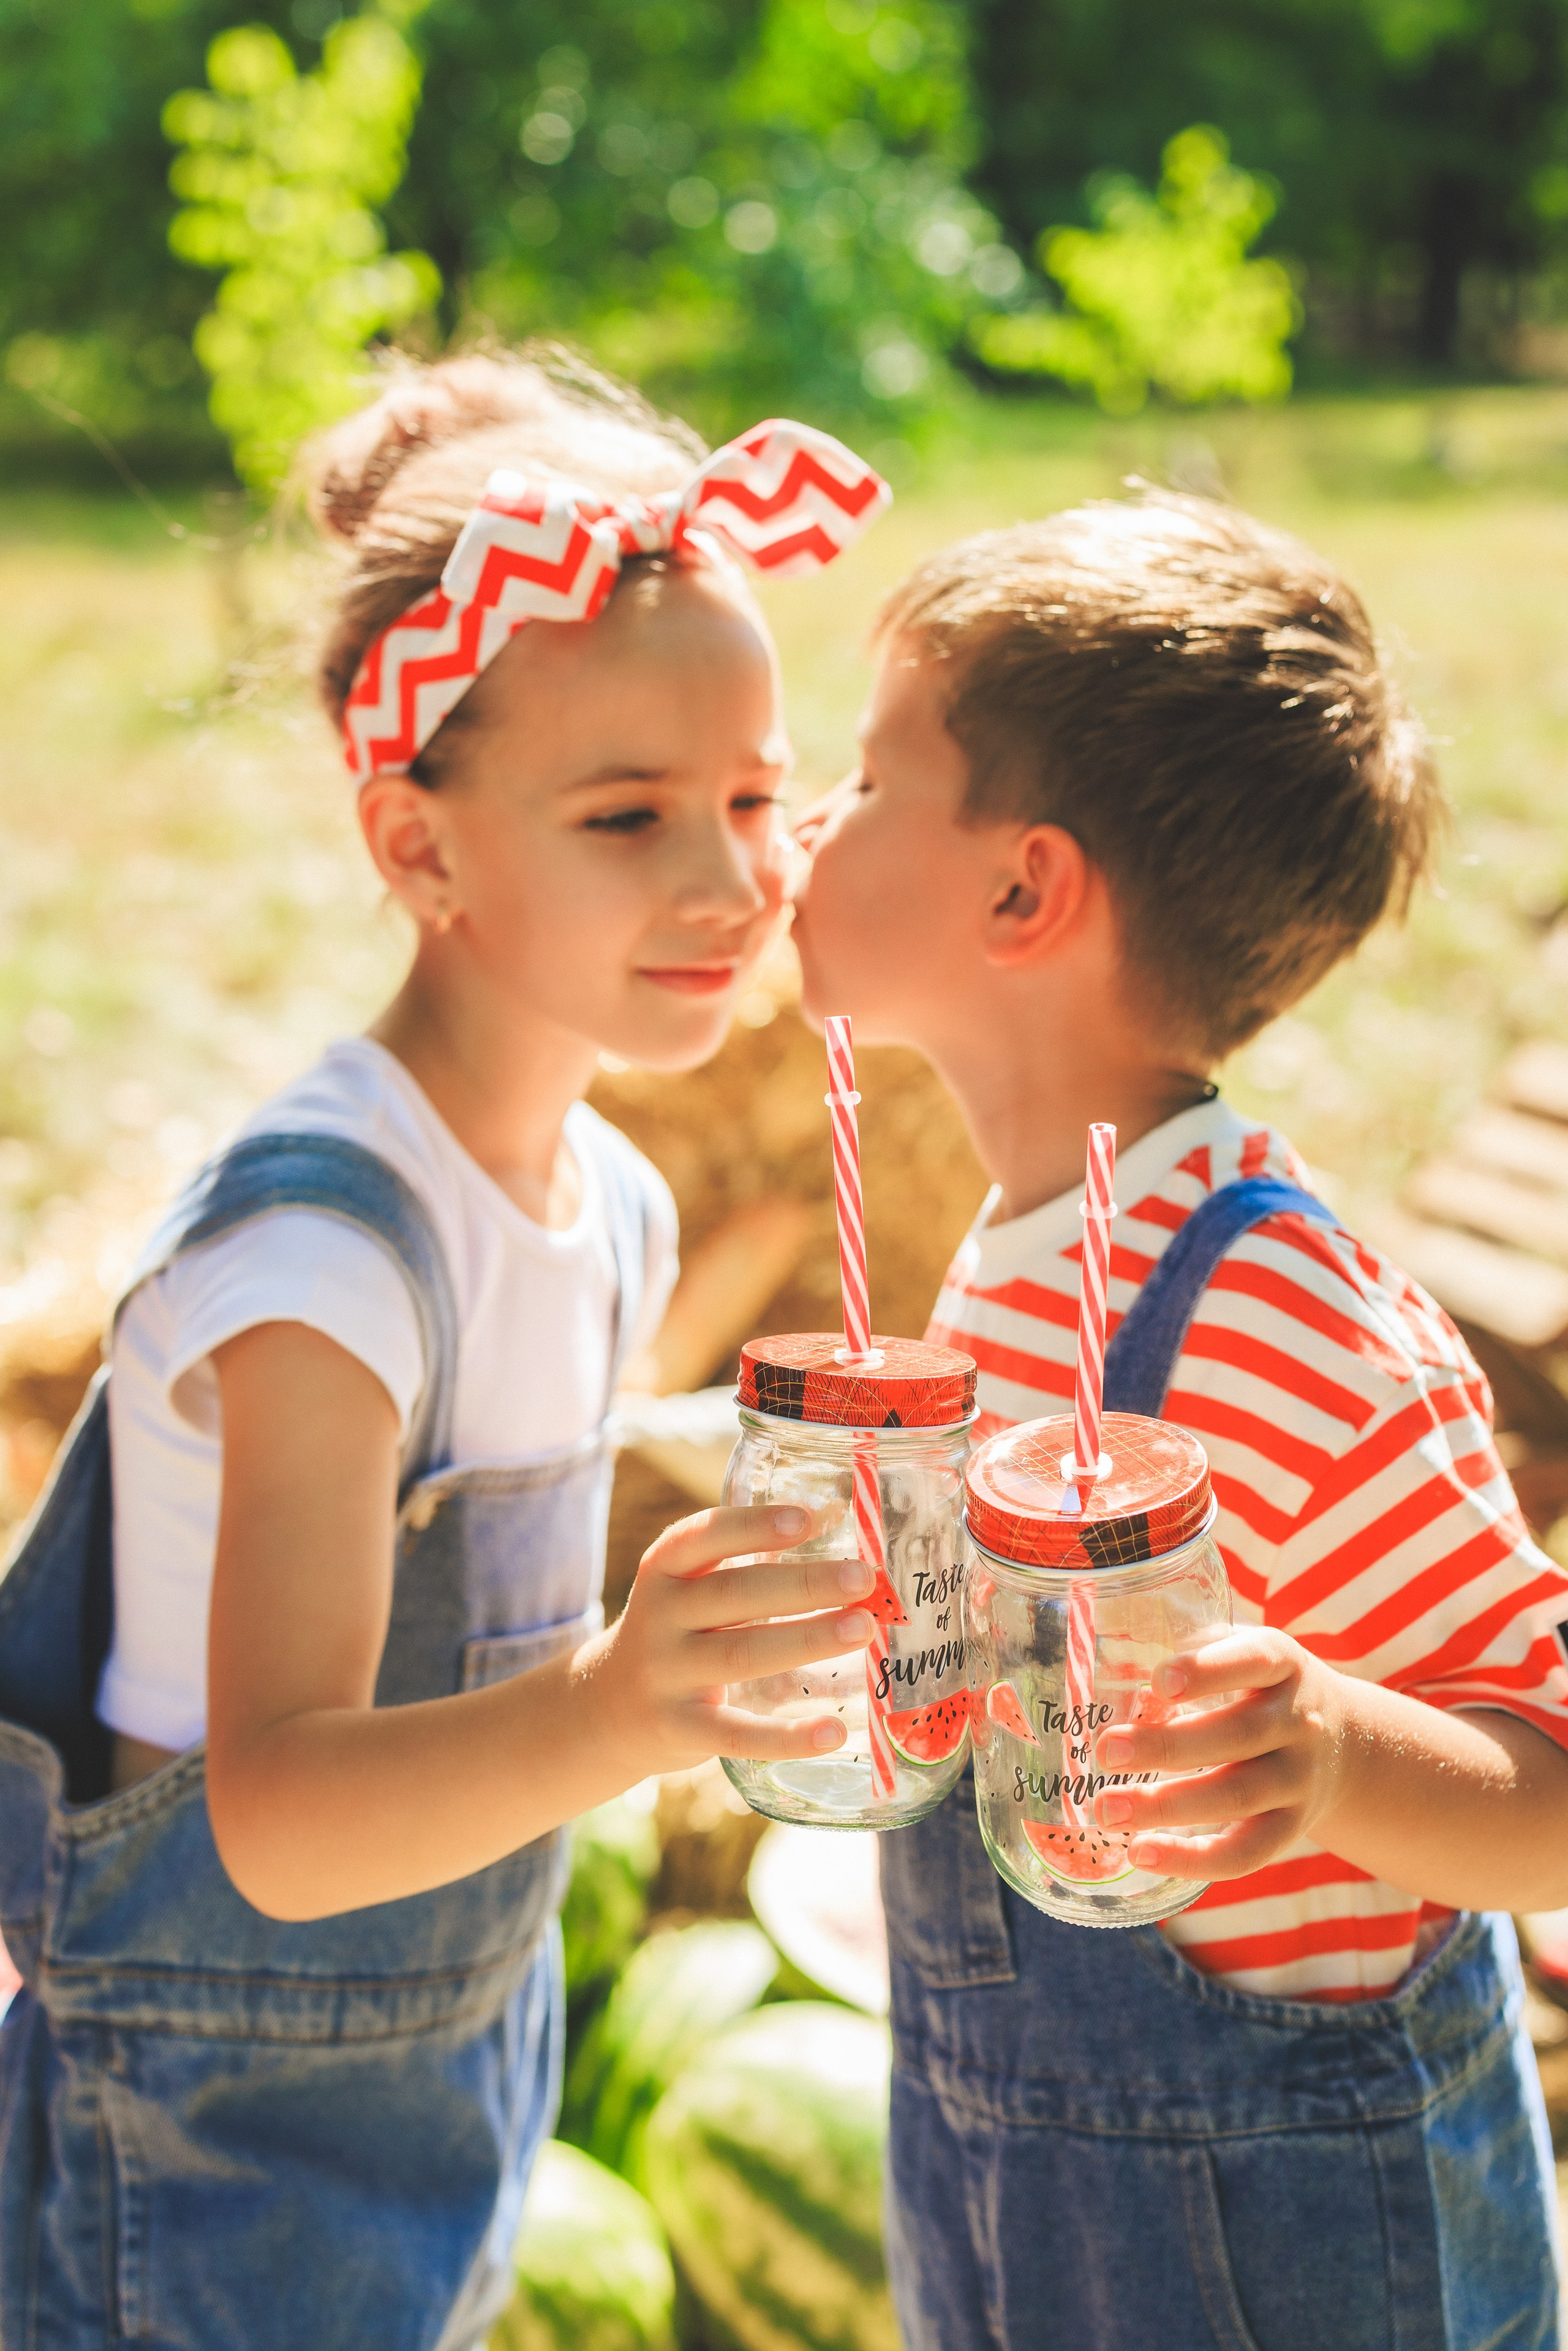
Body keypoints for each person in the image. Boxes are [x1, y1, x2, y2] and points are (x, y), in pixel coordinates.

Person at [0, 353, 891, 2351]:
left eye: (755, 799)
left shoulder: (607, 1194)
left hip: (460, 2050)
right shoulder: (326, 1262)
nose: (732, 878)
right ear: (420, 849)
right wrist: (617, 1708)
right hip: (229, 2133)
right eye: (629, 814)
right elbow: (284, 1818)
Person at [790, 489, 1568, 2349]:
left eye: (871, 776)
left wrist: (1325, 1751)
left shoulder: (1274, 1318)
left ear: (1020, 889)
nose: (811, 818)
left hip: (1297, 2239)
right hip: (1019, 2199)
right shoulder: (1026, 1256)